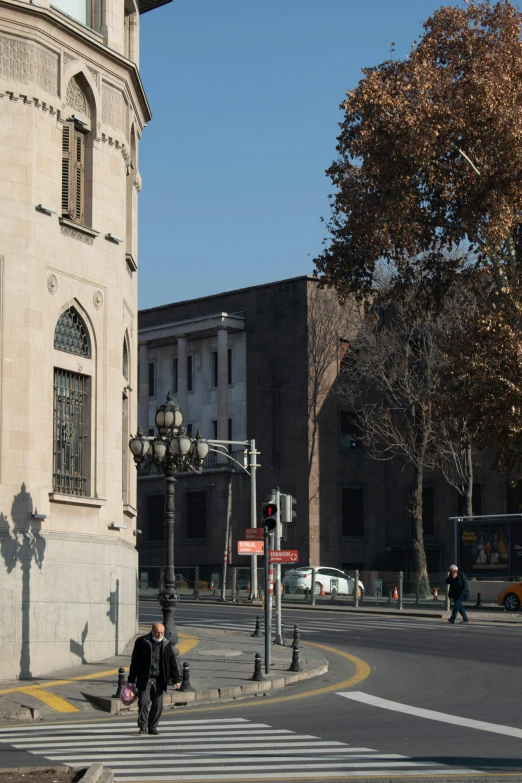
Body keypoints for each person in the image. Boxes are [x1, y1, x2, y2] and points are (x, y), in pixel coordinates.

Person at [128, 622, 181, 736]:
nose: (159, 635)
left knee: (158, 705)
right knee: (143, 703)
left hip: (159, 680)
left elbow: (172, 662)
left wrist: (176, 679)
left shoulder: (166, 644)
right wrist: (131, 679)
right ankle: (143, 726)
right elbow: (135, 662)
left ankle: (153, 727)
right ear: (152, 631)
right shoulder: (142, 642)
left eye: (162, 632)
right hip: (145, 678)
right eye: (157, 632)